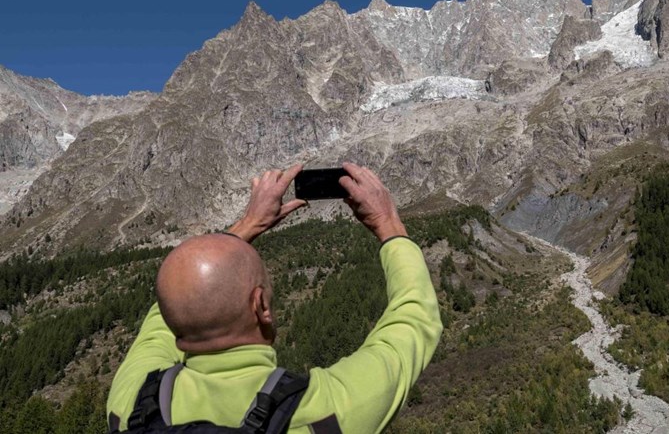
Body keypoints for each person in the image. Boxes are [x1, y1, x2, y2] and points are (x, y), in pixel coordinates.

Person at [106, 162, 443, 433]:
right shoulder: (321, 411)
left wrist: (247, 225)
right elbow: (414, 320)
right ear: (261, 306)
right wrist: (388, 223)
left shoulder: (132, 401)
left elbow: (177, 300)